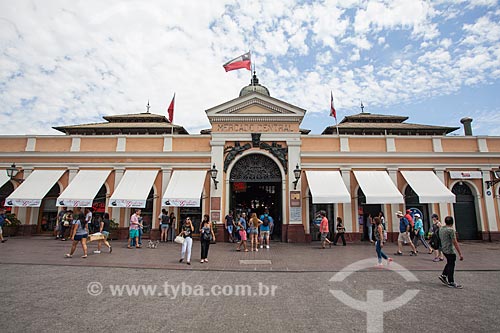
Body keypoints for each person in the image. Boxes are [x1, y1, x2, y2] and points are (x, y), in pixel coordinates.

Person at [438, 216, 464, 289]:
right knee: (451, 265)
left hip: (443, 248)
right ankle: (451, 281)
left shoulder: (442, 229)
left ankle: (443, 275)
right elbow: (455, 242)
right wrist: (460, 253)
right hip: (450, 250)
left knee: (449, 263)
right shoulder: (451, 230)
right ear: (452, 222)